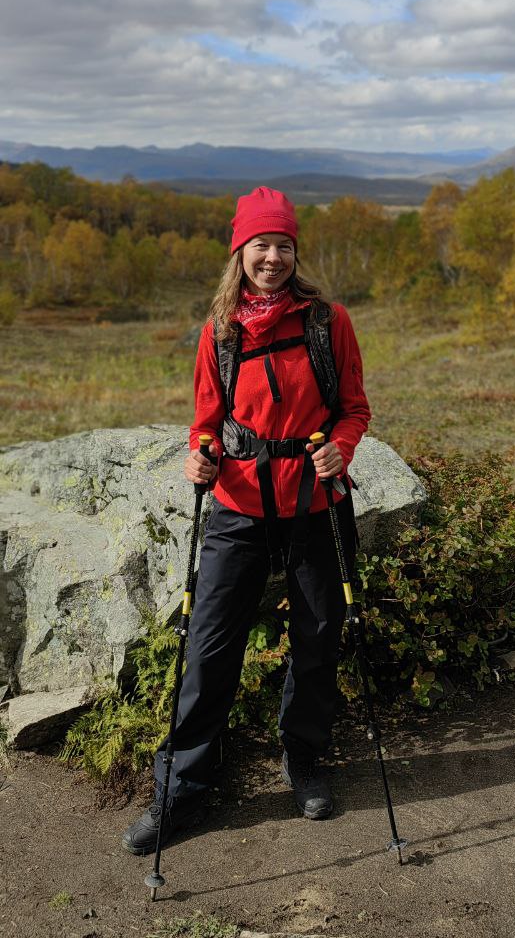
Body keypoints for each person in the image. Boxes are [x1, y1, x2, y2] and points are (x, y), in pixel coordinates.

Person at [123, 186, 370, 854]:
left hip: (314, 503)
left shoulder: (327, 322)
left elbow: (353, 408)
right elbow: (208, 422)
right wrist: (198, 458)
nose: (272, 257)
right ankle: (181, 790)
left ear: (295, 252)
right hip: (237, 505)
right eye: (260, 245)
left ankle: (305, 762)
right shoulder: (220, 333)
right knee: (207, 647)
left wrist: (337, 450)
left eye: (283, 245)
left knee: (318, 640)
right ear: (241, 252)